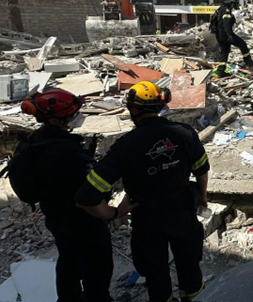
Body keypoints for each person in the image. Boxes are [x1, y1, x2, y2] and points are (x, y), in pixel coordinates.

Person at [75, 81, 210, 302]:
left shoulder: (124, 146)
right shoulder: (184, 133)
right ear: (160, 105)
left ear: (134, 109)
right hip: (183, 211)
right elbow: (202, 170)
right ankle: (195, 298)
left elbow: (86, 197)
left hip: (147, 219)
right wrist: (202, 198)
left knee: (156, 273)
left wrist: (115, 213)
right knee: (189, 264)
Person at [17, 89, 113, 302]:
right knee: (96, 269)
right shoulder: (66, 152)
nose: (74, 118)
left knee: (68, 262)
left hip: (56, 217)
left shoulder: (33, 142)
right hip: (84, 221)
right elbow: (93, 192)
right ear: (54, 120)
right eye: (70, 115)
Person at [213, 0, 253, 77]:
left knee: (224, 52)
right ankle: (248, 62)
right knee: (242, 44)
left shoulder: (220, 9)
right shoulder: (226, 10)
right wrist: (229, 35)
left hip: (219, 35)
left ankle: (220, 71)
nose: (234, 6)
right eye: (233, 4)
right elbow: (226, 24)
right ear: (232, 3)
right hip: (225, 34)